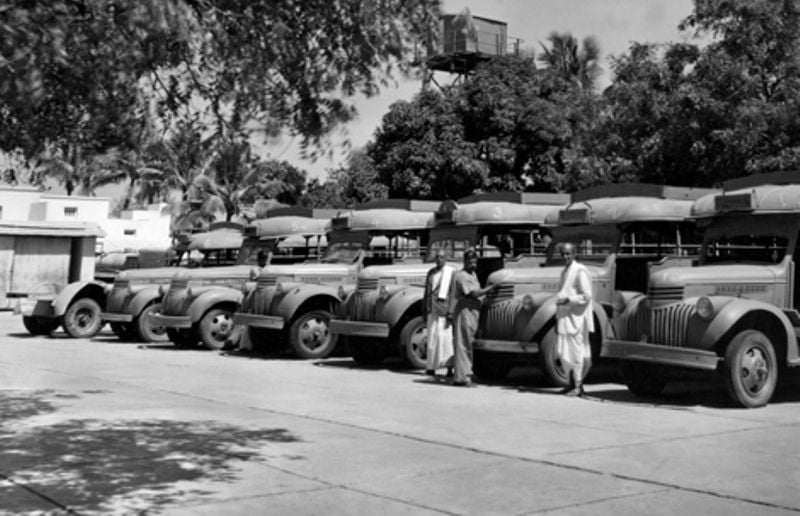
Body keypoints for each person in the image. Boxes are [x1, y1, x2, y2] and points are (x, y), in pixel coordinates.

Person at [451, 248, 500, 386]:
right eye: (470, 262)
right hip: (465, 311)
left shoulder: (473, 275)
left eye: (474, 262)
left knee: (468, 343)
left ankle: (465, 374)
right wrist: (490, 288)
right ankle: (463, 377)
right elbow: (473, 293)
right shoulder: (462, 276)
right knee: (463, 344)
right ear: (465, 262)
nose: (473, 265)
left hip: (473, 312)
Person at [555, 242, 594, 397]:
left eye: (568, 253)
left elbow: (586, 295)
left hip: (576, 318)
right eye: (563, 254)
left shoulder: (580, 271)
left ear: (574, 254)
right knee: (564, 352)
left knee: (577, 352)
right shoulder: (564, 272)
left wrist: (569, 300)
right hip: (565, 317)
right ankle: (570, 383)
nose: (565, 256)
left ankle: (578, 386)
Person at [423, 250, 455, 377]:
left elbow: (453, 293)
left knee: (445, 339)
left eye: (441, 257)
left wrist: (451, 311)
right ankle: (431, 366)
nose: (439, 259)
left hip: (444, 310)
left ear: (446, 259)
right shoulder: (431, 273)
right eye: (437, 257)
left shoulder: (451, 272)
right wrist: (424, 309)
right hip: (432, 309)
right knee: (432, 338)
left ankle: (449, 367)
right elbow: (426, 292)